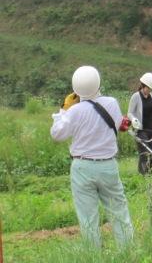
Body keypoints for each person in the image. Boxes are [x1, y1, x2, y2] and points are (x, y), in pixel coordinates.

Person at [50, 66, 133, 248]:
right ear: (98, 83)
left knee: (88, 219)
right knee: (119, 212)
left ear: (76, 89)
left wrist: (64, 109)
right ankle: (127, 254)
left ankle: (94, 257)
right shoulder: (111, 103)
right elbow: (120, 124)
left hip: (82, 168)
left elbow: (57, 135)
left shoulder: (74, 111)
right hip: (107, 166)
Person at [127, 72, 152, 175]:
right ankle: (144, 176)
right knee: (145, 154)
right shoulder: (136, 97)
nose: (149, 91)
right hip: (141, 130)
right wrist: (133, 120)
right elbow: (130, 112)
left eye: (151, 89)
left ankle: (148, 172)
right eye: (148, 88)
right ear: (143, 86)